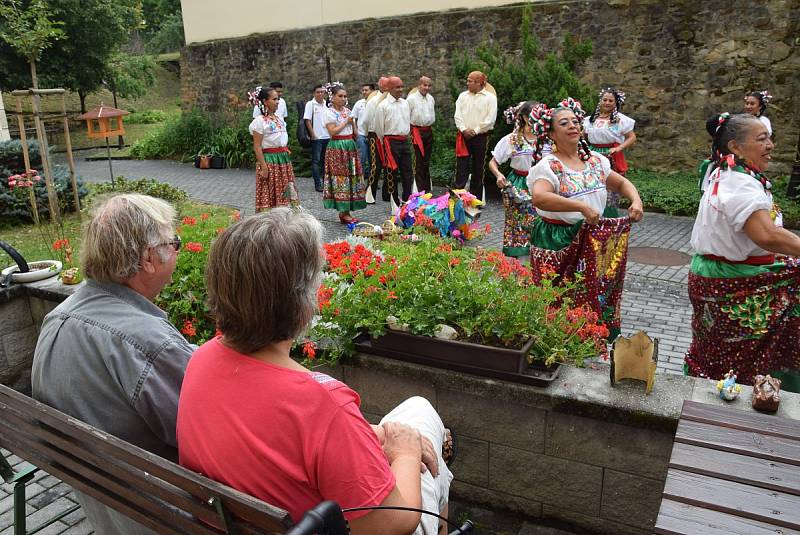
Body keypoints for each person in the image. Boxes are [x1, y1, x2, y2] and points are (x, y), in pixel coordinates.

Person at [177, 208, 453, 534]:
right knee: (423, 424)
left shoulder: (201, 360)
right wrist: (405, 450)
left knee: (411, 425)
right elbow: (394, 523)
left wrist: (373, 436)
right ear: (303, 302)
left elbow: (279, 438)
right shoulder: (322, 402)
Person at [32, 193, 195, 534]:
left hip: (106, 505)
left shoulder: (57, 320)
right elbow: (206, 436)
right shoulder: (148, 341)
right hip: (164, 512)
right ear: (149, 258)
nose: (177, 250)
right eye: (174, 242)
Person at [685, 113, 800, 388]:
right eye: (762, 139)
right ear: (735, 147)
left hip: (718, 272)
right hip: (729, 278)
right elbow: (767, 235)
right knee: (735, 356)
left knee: (721, 352)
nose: (770, 145)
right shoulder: (739, 183)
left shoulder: (728, 173)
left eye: (769, 138)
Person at [527, 98, 644, 341]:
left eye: (575, 121)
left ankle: (589, 340)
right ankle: (557, 343)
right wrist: (580, 206)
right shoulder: (549, 165)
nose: (572, 126)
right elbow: (540, 197)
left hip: (591, 238)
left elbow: (620, 182)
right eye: (564, 123)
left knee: (591, 294)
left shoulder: (595, 162)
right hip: (558, 240)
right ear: (551, 133)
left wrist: (636, 200)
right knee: (560, 298)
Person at [488, 101, 538, 258]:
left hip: (540, 183)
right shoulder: (512, 139)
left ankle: (536, 253)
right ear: (523, 117)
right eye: (532, 115)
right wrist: (498, 175)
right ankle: (518, 256)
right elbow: (493, 162)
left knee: (539, 218)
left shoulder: (547, 138)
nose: (537, 119)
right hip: (517, 183)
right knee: (516, 221)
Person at [583, 87, 636, 213]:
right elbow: (583, 136)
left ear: (616, 103)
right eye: (604, 100)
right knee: (592, 186)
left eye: (610, 101)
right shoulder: (590, 120)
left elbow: (632, 137)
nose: (607, 102)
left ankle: (609, 217)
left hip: (611, 155)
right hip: (593, 155)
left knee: (610, 188)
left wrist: (619, 148)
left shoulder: (621, 120)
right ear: (600, 101)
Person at [248, 86, 298, 210]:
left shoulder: (279, 119)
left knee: (285, 189)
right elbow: (257, 146)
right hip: (270, 160)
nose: (277, 102)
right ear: (265, 101)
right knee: (270, 190)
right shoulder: (260, 121)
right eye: (274, 99)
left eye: (278, 99)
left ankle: (287, 217)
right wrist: (264, 167)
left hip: (283, 160)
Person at [322, 84, 366, 224]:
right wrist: (346, 121)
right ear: (332, 98)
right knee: (341, 178)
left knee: (351, 176)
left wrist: (353, 125)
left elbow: (354, 131)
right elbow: (332, 132)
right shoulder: (328, 112)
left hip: (349, 146)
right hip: (337, 147)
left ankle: (349, 208)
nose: (343, 98)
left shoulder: (348, 110)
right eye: (340, 96)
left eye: (345, 96)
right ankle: (343, 211)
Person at [453, 71, 497, 201]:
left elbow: (490, 119)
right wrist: (463, 129)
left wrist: (476, 131)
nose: (467, 83)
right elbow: (457, 115)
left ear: (479, 83)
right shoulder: (462, 96)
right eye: (467, 80)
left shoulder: (490, 98)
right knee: (461, 166)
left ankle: (475, 199)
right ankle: (457, 197)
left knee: (478, 168)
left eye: (470, 81)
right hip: (463, 136)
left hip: (480, 137)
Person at [375, 76, 413, 209]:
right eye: (397, 87)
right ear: (389, 88)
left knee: (408, 172)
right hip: (390, 142)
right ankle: (394, 202)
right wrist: (385, 141)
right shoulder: (383, 106)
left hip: (404, 140)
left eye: (402, 86)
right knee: (391, 173)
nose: (400, 89)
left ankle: (408, 201)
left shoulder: (405, 103)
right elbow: (379, 128)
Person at [406, 76, 436, 193]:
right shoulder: (411, 99)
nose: (427, 88)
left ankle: (426, 188)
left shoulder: (431, 99)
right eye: (424, 85)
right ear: (419, 85)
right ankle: (417, 189)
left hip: (428, 131)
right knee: (417, 160)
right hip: (416, 132)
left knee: (426, 160)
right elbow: (406, 117)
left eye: (429, 85)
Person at [364, 76, 390, 203]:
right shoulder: (373, 101)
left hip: (388, 135)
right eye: (385, 85)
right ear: (380, 86)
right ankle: (370, 193)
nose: (387, 88)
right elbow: (366, 119)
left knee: (389, 165)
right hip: (374, 135)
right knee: (376, 165)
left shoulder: (391, 100)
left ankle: (387, 193)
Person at [304, 85, 330, 192]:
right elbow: (307, 120)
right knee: (316, 161)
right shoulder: (310, 104)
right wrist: (313, 134)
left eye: (322, 92)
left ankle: (326, 183)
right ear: (314, 93)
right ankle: (317, 184)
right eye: (318, 92)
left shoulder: (327, 104)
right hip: (317, 137)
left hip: (327, 136)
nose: (320, 94)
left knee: (326, 162)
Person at [352, 83, 375, 197]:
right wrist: (355, 131)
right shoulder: (359, 103)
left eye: (366, 90)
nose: (364, 92)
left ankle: (371, 183)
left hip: (372, 135)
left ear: (372, 91)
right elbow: (353, 118)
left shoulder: (376, 103)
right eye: (363, 90)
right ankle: (359, 183)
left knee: (373, 161)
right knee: (361, 159)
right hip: (361, 135)